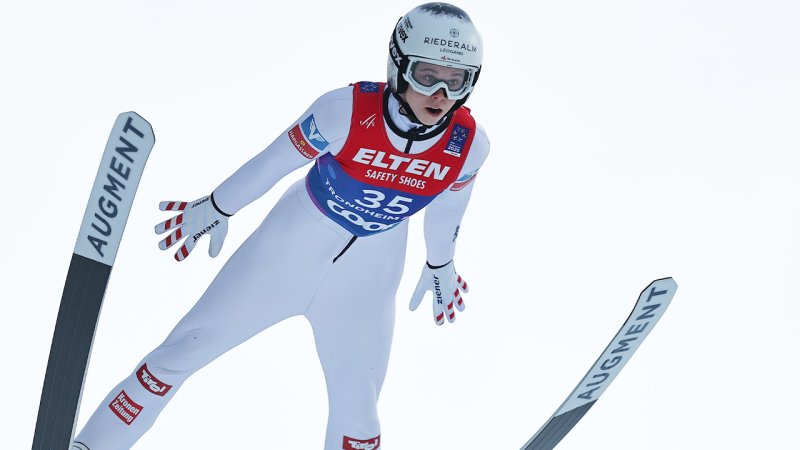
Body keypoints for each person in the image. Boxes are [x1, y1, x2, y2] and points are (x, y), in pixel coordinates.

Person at [71, 3, 489, 449]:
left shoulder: (469, 145)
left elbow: (447, 209)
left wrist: (441, 264)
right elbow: (274, 162)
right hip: (293, 245)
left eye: (456, 79)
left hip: (369, 274)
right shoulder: (344, 111)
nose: (441, 93)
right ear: (398, 67)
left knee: (361, 418)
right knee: (180, 354)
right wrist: (218, 206)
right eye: (427, 76)